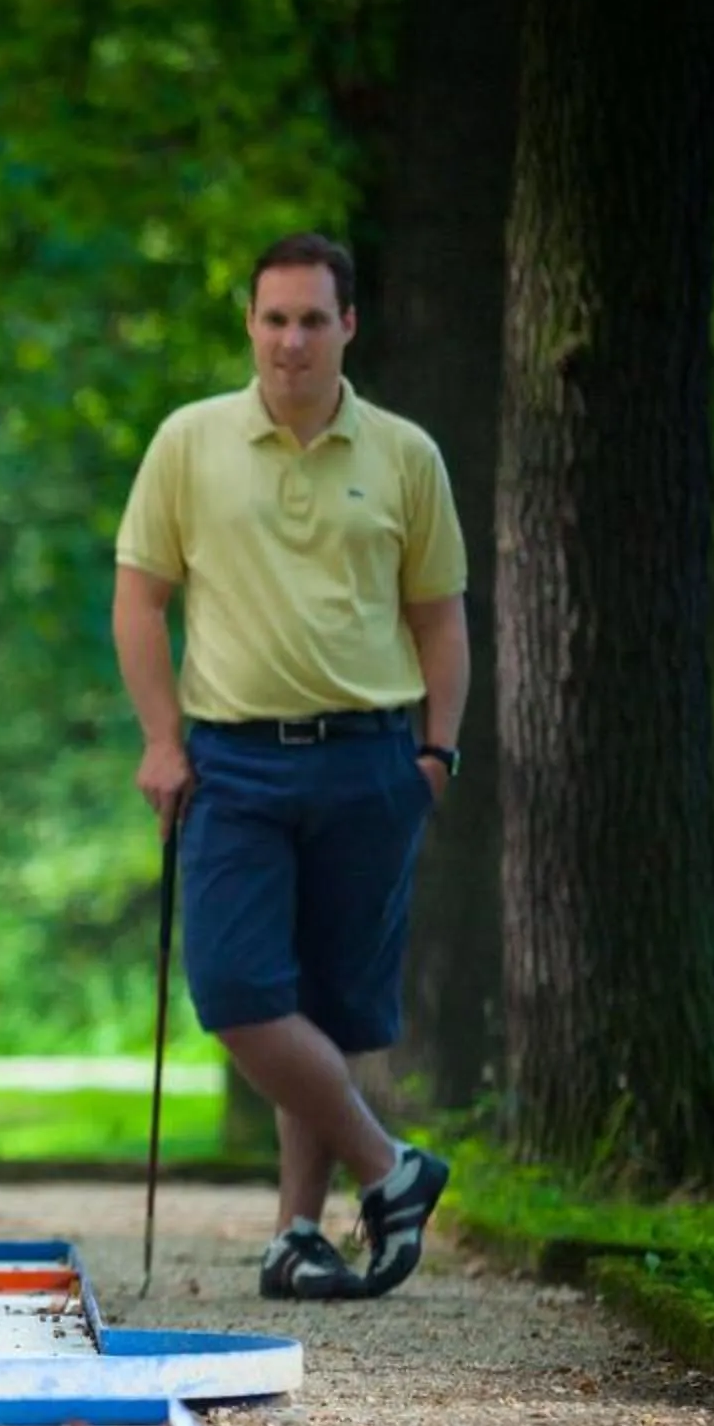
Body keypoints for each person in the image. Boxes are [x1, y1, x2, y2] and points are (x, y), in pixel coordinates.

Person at [110, 232, 467, 1301]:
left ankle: (296, 1235)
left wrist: (438, 751)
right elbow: (139, 600)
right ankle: (390, 1166)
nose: (292, 341)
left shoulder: (405, 453)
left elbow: (440, 619)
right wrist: (162, 737)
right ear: (251, 325)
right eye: (274, 319)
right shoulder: (190, 441)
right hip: (234, 761)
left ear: (347, 326)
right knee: (236, 989)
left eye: (314, 319)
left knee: (334, 1007)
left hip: (371, 758)